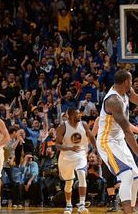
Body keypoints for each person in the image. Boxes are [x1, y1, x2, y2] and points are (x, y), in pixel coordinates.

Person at [97, 70, 138, 214]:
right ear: (126, 81)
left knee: (136, 176)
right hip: (107, 141)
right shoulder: (113, 101)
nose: (132, 83)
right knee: (126, 175)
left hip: (119, 140)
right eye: (131, 80)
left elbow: (136, 98)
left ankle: (131, 210)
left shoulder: (126, 90)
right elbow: (127, 131)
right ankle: (127, 211)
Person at [56, 107, 96, 214]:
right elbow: (57, 145)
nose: (80, 115)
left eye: (80, 114)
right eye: (77, 114)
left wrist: (96, 150)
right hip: (66, 156)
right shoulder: (62, 127)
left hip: (80, 153)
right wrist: (69, 148)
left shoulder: (83, 124)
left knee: (82, 175)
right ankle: (68, 205)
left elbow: (91, 137)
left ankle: (82, 205)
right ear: (70, 115)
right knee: (69, 182)